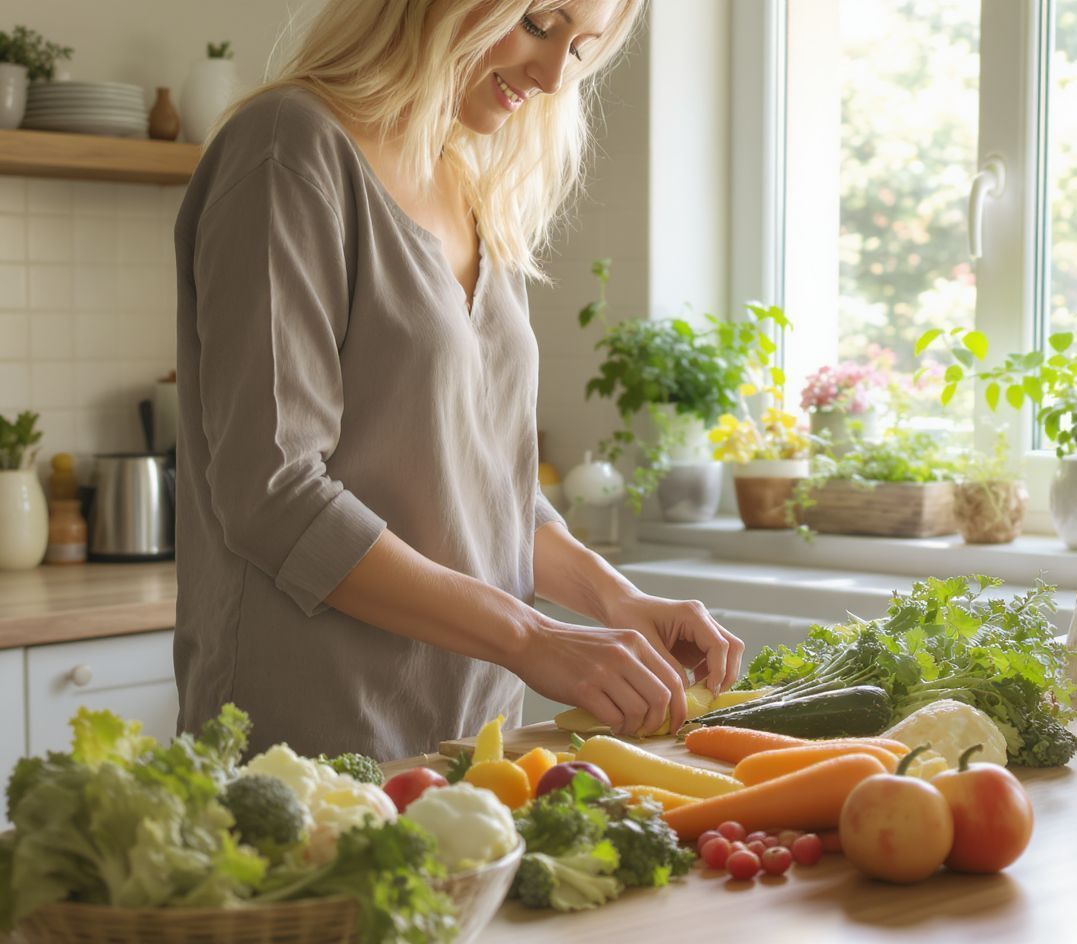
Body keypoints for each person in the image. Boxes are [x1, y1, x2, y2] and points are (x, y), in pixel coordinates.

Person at [173, 0, 745, 762]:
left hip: (475, 738)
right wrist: (532, 636)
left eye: (581, 49)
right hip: (311, 738)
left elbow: (487, 487)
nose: (550, 76)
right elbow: (273, 493)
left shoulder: (470, 186)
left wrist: (618, 600)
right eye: (539, 25)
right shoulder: (290, 146)